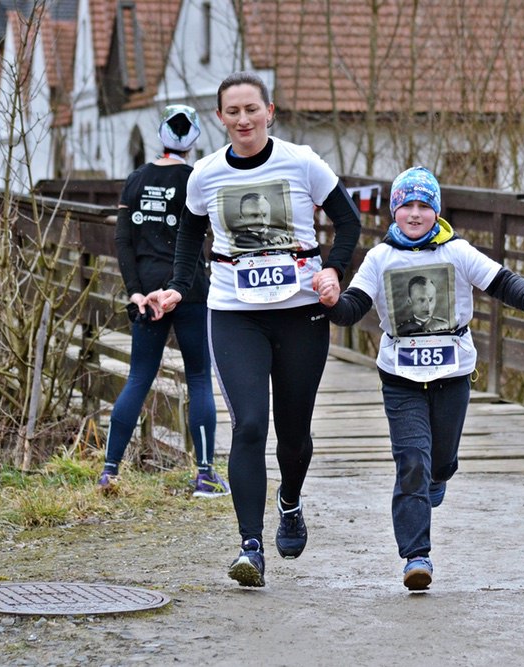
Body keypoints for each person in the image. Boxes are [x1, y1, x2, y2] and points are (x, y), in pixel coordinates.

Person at [145, 71, 361, 588]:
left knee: (293, 431)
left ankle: (290, 501)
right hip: (234, 312)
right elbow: (189, 236)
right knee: (248, 426)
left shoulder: (302, 162)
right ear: (220, 118)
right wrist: (177, 286)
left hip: (301, 311)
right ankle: (250, 546)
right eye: (233, 111)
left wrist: (334, 270)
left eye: (251, 109)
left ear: (270, 111)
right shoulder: (205, 174)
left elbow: (349, 222)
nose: (243, 119)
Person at [321, 166, 524, 590]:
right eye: (406, 204)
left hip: (451, 374)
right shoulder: (380, 258)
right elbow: (353, 306)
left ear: (437, 212)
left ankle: (438, 477)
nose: (415, 213)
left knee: (439, 462)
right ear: (394, 211)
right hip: (400, 376)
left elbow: (500, 281)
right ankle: (416, 556)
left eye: (424, 205)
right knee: (412, 462)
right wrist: (331, 301)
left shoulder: (456, 251)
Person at [99, 104, 227, 499]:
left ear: (160, 133)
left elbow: (123, 240)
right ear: (194, 137)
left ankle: (109, 472)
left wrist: (135, 291)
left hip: (147, 292)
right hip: (190, 290)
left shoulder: (136, 179)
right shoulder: (195, 179)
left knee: (138, 377)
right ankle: (205, 475)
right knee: (199, 378)